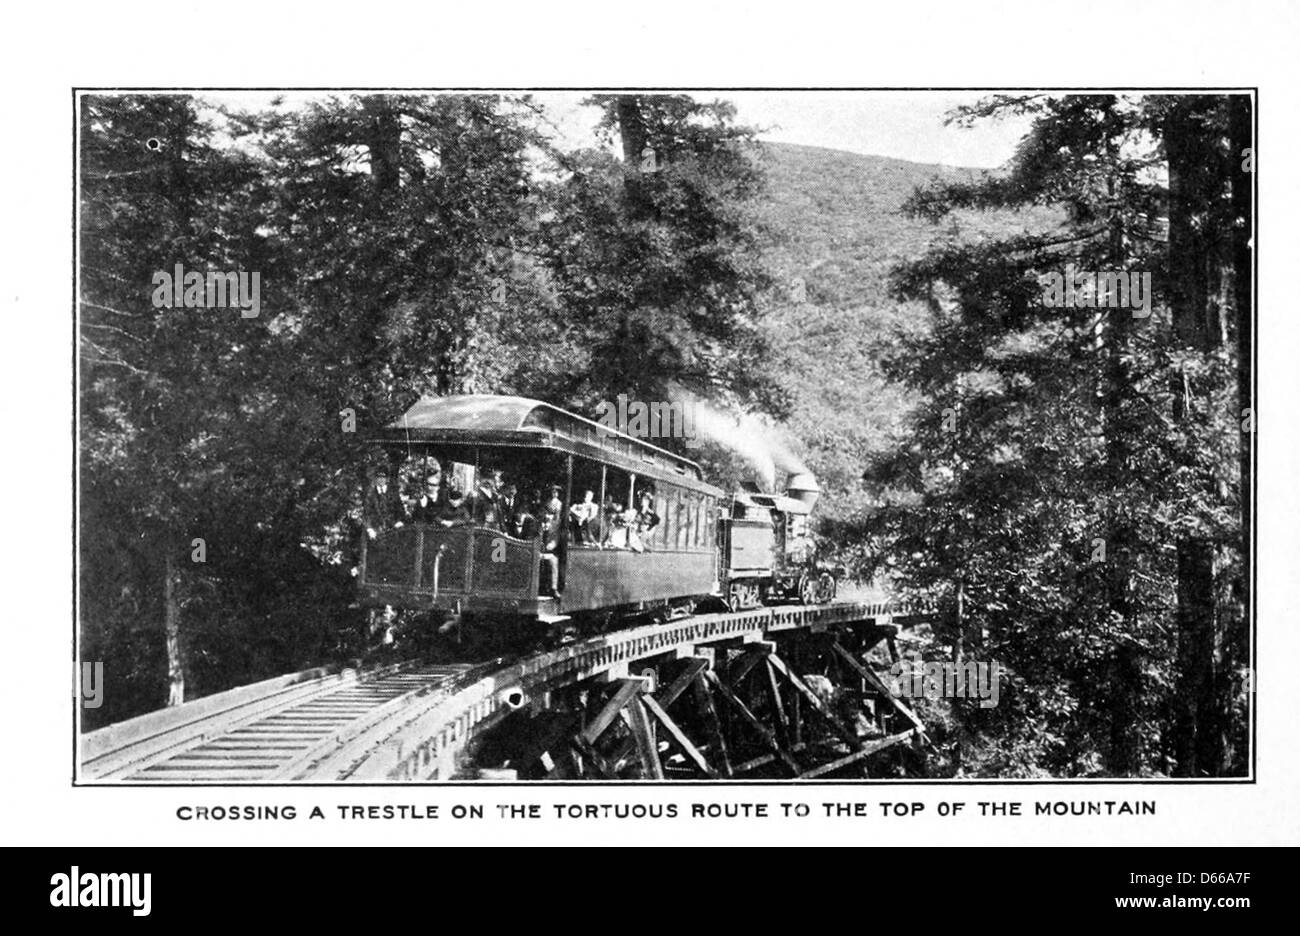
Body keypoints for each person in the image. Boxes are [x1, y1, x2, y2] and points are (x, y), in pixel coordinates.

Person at [363, 466, 405, 539]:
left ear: (387, 479)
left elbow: (400, 510)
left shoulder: (393, 493)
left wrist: (400, 521)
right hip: (377, 532)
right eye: (379, 477)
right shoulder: (370, 495)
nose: (381, 479)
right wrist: (370, 529)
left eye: (383, 477)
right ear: (375, 479)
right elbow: (367, 513)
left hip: (393, 530)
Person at [537, 504, 561, 596]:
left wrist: (549, 546)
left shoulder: (555, 527)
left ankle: (553, 588)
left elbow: (555, 540)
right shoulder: (538, 524)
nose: (548, 516)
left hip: (548, 552)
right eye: (546, 514)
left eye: (551, 514)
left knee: (553, 561)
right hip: (537, 551)